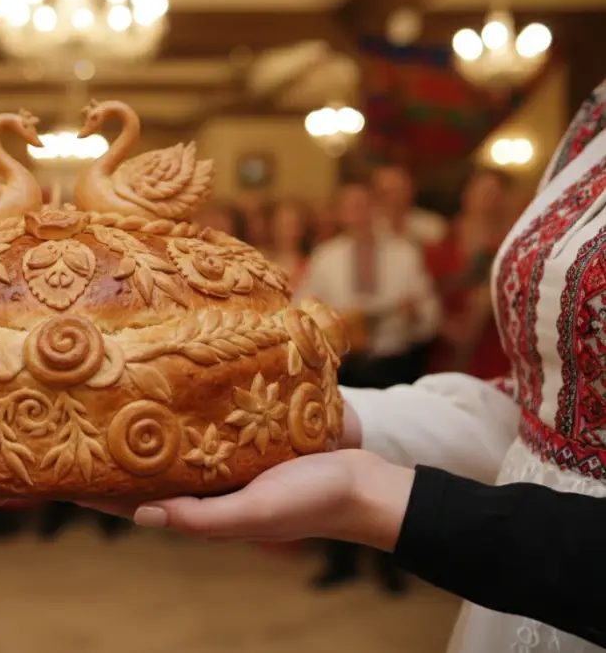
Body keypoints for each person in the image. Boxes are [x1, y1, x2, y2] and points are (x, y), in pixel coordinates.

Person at [84, 81, 606, 650]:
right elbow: (547, 417)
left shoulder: (405, 253)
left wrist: (371, 497)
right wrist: (314, 418)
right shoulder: (591, 119)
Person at [297, 182, 440, 593]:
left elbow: (428, 316)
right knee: (334, 458)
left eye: (365, 205)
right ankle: (339, 560)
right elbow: (305, 308)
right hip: (343, 367)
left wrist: (415, 313)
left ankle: (390, 565)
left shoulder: (404, 252)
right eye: (350, 206)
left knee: (394, 463)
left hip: (391, 364)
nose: (358, 213)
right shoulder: (326, 255)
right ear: (341, 212)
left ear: (375, 208)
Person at [424, 168, 513, 379]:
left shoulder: (510, 243)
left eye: (494, 194)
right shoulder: (442, 240)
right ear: (466, 195)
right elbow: (425, 291)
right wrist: (444, 324)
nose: (488, 201)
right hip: (446, 351)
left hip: (493, 354)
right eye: (482, 192)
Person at [372, 164, 448, 247]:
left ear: (411, 192)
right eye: (386, 193)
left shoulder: (432, 225)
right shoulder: (369, 228)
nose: (393, 198)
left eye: (398, 191)